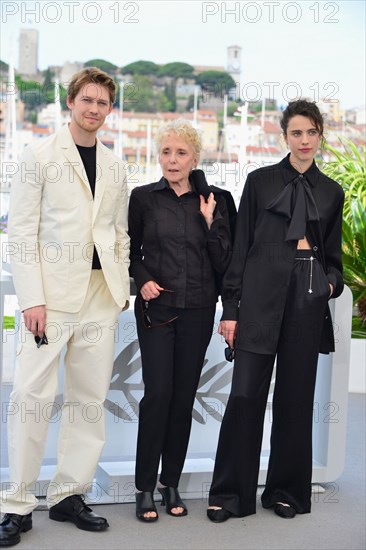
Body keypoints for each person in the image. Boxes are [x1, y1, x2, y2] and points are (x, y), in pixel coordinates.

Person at [0, 67, 130, 546]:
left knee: (89, 400)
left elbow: (118, 232)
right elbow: (21, 234)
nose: (94, 109)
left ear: (109, 110)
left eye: (103, 103)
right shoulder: (37, 156)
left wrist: (120, 289)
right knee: (31, 400)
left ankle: (68, 495)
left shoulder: (116, 166)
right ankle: (16, 504)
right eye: (87, 100)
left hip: (100, 296)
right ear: (70, 101)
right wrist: (32, 298)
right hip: (49, 300)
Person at [207, 99, 344, 523]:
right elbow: (241, 249)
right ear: (284, 137)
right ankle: (230, 495)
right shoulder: (261, 182)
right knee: (246, 395)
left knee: (295, 399)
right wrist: (231, 308)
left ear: (320, 135)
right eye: (296, 133)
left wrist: (328, 284)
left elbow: (335, 260)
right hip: (260, 298)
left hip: (306, 299)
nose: (304, 140)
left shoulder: (331, 191)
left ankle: (286, 491)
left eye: (312, 132)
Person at [128, 119, 234, 522]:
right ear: (159, 156)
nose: (173, 160)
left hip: (199, 308)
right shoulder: (143, 198)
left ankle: (169, 482)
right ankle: (143, 487)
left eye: (181, 153)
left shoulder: (216, 199)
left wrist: (210, 222)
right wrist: (143, 280)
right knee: (158, 393)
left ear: (195, 158)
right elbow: (129, 250)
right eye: (166, 152)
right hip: (156, 310)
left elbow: (226, 262)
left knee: (183, 395)